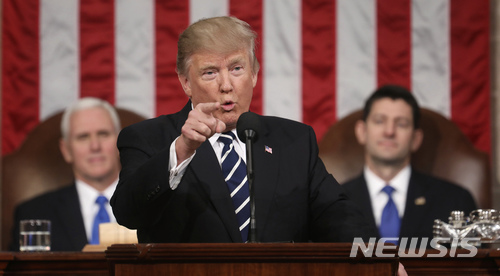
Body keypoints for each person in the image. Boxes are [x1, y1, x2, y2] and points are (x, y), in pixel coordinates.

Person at [110, 16, 374, 244]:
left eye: (237, 69)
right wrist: (182, 149)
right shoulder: (149, 139)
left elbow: (338, 215)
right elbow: (128, 213)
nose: (226, 85)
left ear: (255, 74)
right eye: (210, 73)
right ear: (186, 82)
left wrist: (379, 261)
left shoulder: (294, 141)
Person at [341, 85, 477, 245]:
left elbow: (472, 267)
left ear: (416, 139)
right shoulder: (332, 204)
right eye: (379, 121)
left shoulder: (455, 202)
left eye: (401, 124)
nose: (389, 131)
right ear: (362, 131)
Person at [10, 97, 121, 251]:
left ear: (120, 142)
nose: (95, 146)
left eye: (103, 134)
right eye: (83, 137)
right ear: (66, 150)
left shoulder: (156, 207)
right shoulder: (34, 213)